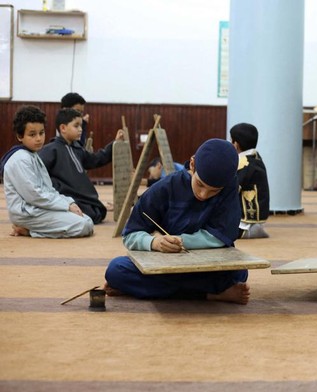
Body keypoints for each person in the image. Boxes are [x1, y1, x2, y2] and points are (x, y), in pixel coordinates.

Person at [104, 138, 250, 303]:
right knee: (116, 270)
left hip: (209, 264)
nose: (203, 195)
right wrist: (155, 243)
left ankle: (151, 289)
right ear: (193, 164)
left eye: (213, 191)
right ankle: (210, 294)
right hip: (168, 264)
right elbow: (130, 235)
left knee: (239, 271)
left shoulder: (228, 187)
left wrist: (183, 240)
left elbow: (223, 234)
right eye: (200, 184)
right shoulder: (163, 188)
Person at [0, 106, 93, 238]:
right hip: (27, 212)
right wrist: (66, 206)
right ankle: (29, 230)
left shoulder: (33, 155)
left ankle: (27, 230)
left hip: (38, 208)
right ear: (20, 136)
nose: (38, 138)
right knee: (83, 225)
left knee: (87, 219)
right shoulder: (20, 159)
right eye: (32, 134)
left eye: (41, 133)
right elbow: (35, 195)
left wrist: (69, 202)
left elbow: (48, 189)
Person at [39, 108, 124, 224]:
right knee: (87, 213)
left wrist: (115, 144)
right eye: (76, 126)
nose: (80, 129)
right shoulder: (51, 149)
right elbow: (40, 176)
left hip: (84, 197)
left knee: (98, 211)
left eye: (81, 126)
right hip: (67, 197)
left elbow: (95, 159)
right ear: (63, 128)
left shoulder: (77, 148)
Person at [229, 122, 270, 239]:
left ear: (236, 144)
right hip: (257, 217)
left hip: (247, 220)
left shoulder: (244, 163)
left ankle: (249, 231)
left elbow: (233, 188)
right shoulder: (255, 157)